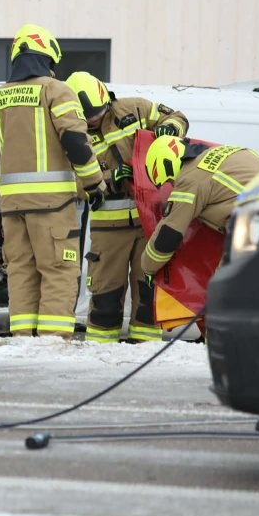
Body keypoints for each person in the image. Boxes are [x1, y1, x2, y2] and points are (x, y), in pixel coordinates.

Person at [0, 25, 104, 339]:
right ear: (49, 56)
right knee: (59, 270)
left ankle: (23, 339)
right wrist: (94, 184)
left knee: (21, 272)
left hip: (12, 207)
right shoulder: (56, 91)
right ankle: (51, 342)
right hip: (52, 205)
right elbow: (76, 141)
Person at [65, 72, 188, 343]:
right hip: (109, 231)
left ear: (106, 99)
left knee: (148, 295)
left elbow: (177, 117)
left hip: (149, 223)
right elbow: (69, 182)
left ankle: (144, 350)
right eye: (89, 117)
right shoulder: (72, 135)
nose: (94, 119)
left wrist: (170, 130)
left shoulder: (135, 109)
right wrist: (107, 179)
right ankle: (100, 351)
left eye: (97, 112)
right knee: (105, 297)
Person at [140, 136, 259, 280]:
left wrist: (147, 268)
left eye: (169, 181)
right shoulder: (225, 151)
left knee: (223, 290)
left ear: (167, 165)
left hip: (254, 225)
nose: (171, 185)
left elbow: (168, 235)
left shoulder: (189, 179)